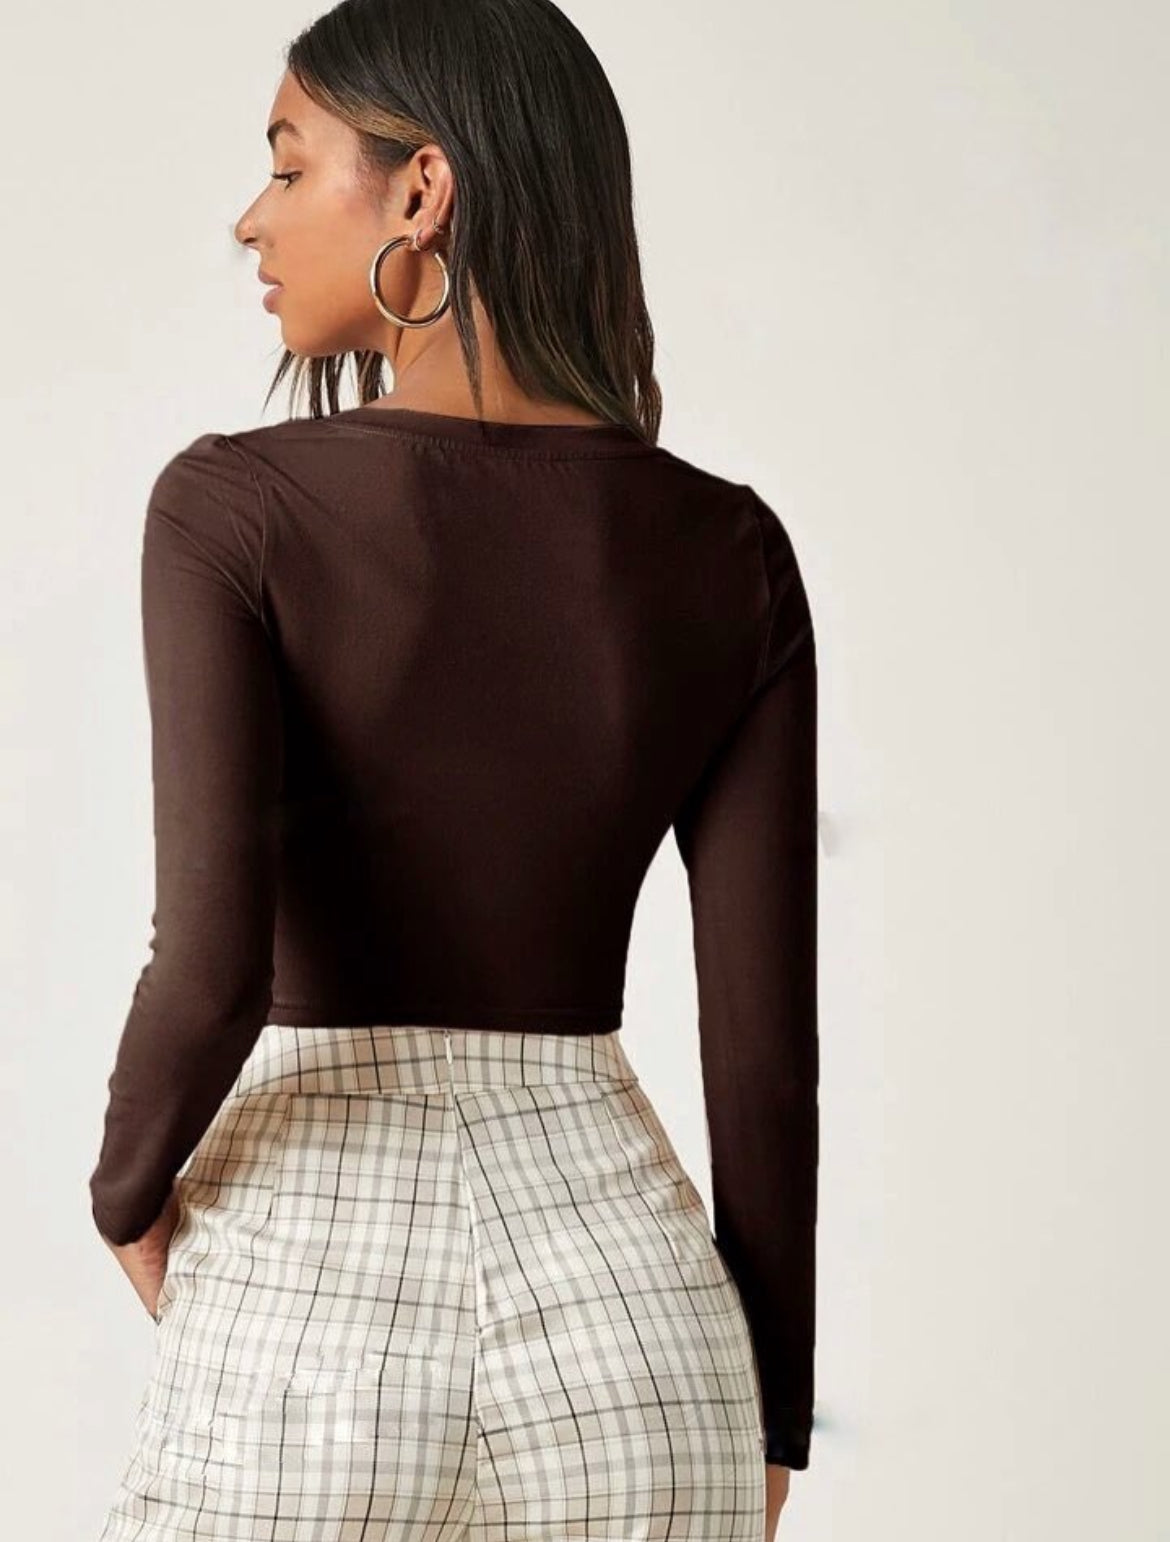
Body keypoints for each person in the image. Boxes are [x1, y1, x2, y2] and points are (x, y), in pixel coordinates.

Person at [89, 1, 819, 1538]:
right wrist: (771, 1400)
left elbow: (210, 968)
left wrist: (126, 1189)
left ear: (421, 190)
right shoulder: (729, 547)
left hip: (310, 1299)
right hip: (634, 1315)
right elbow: (761, 1048)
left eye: (289, 166)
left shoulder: (234, 510)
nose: (251, 220)